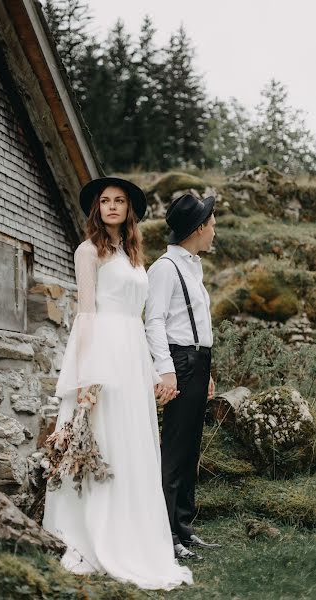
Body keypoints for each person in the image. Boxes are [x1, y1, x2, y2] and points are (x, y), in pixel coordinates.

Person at [43, 177, 193, 590]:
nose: (111, 206)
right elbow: (87, 313)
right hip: (103, 354)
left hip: (131, 354)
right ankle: (90, 535)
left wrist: (151, 370)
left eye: (119, 201)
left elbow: (140, 318)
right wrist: (85, 374)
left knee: (133, 446)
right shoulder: (88, 251)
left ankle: (136, 534)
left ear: (129, 210)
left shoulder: (132, 255)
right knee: (103, 442)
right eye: (105, 201)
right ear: (97, 209)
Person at [145, 193, 220, 561]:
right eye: (212, 224)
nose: (214, 230)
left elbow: (198, 323)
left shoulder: (192, 266)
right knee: (174, 450)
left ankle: (184, 530)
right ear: (198, 228)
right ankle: (167, 534)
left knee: (190, 448)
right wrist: (167, 370)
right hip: (179, 362)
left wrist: (207, 369)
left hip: (197, 361)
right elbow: (154, 320)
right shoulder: (164, 268)